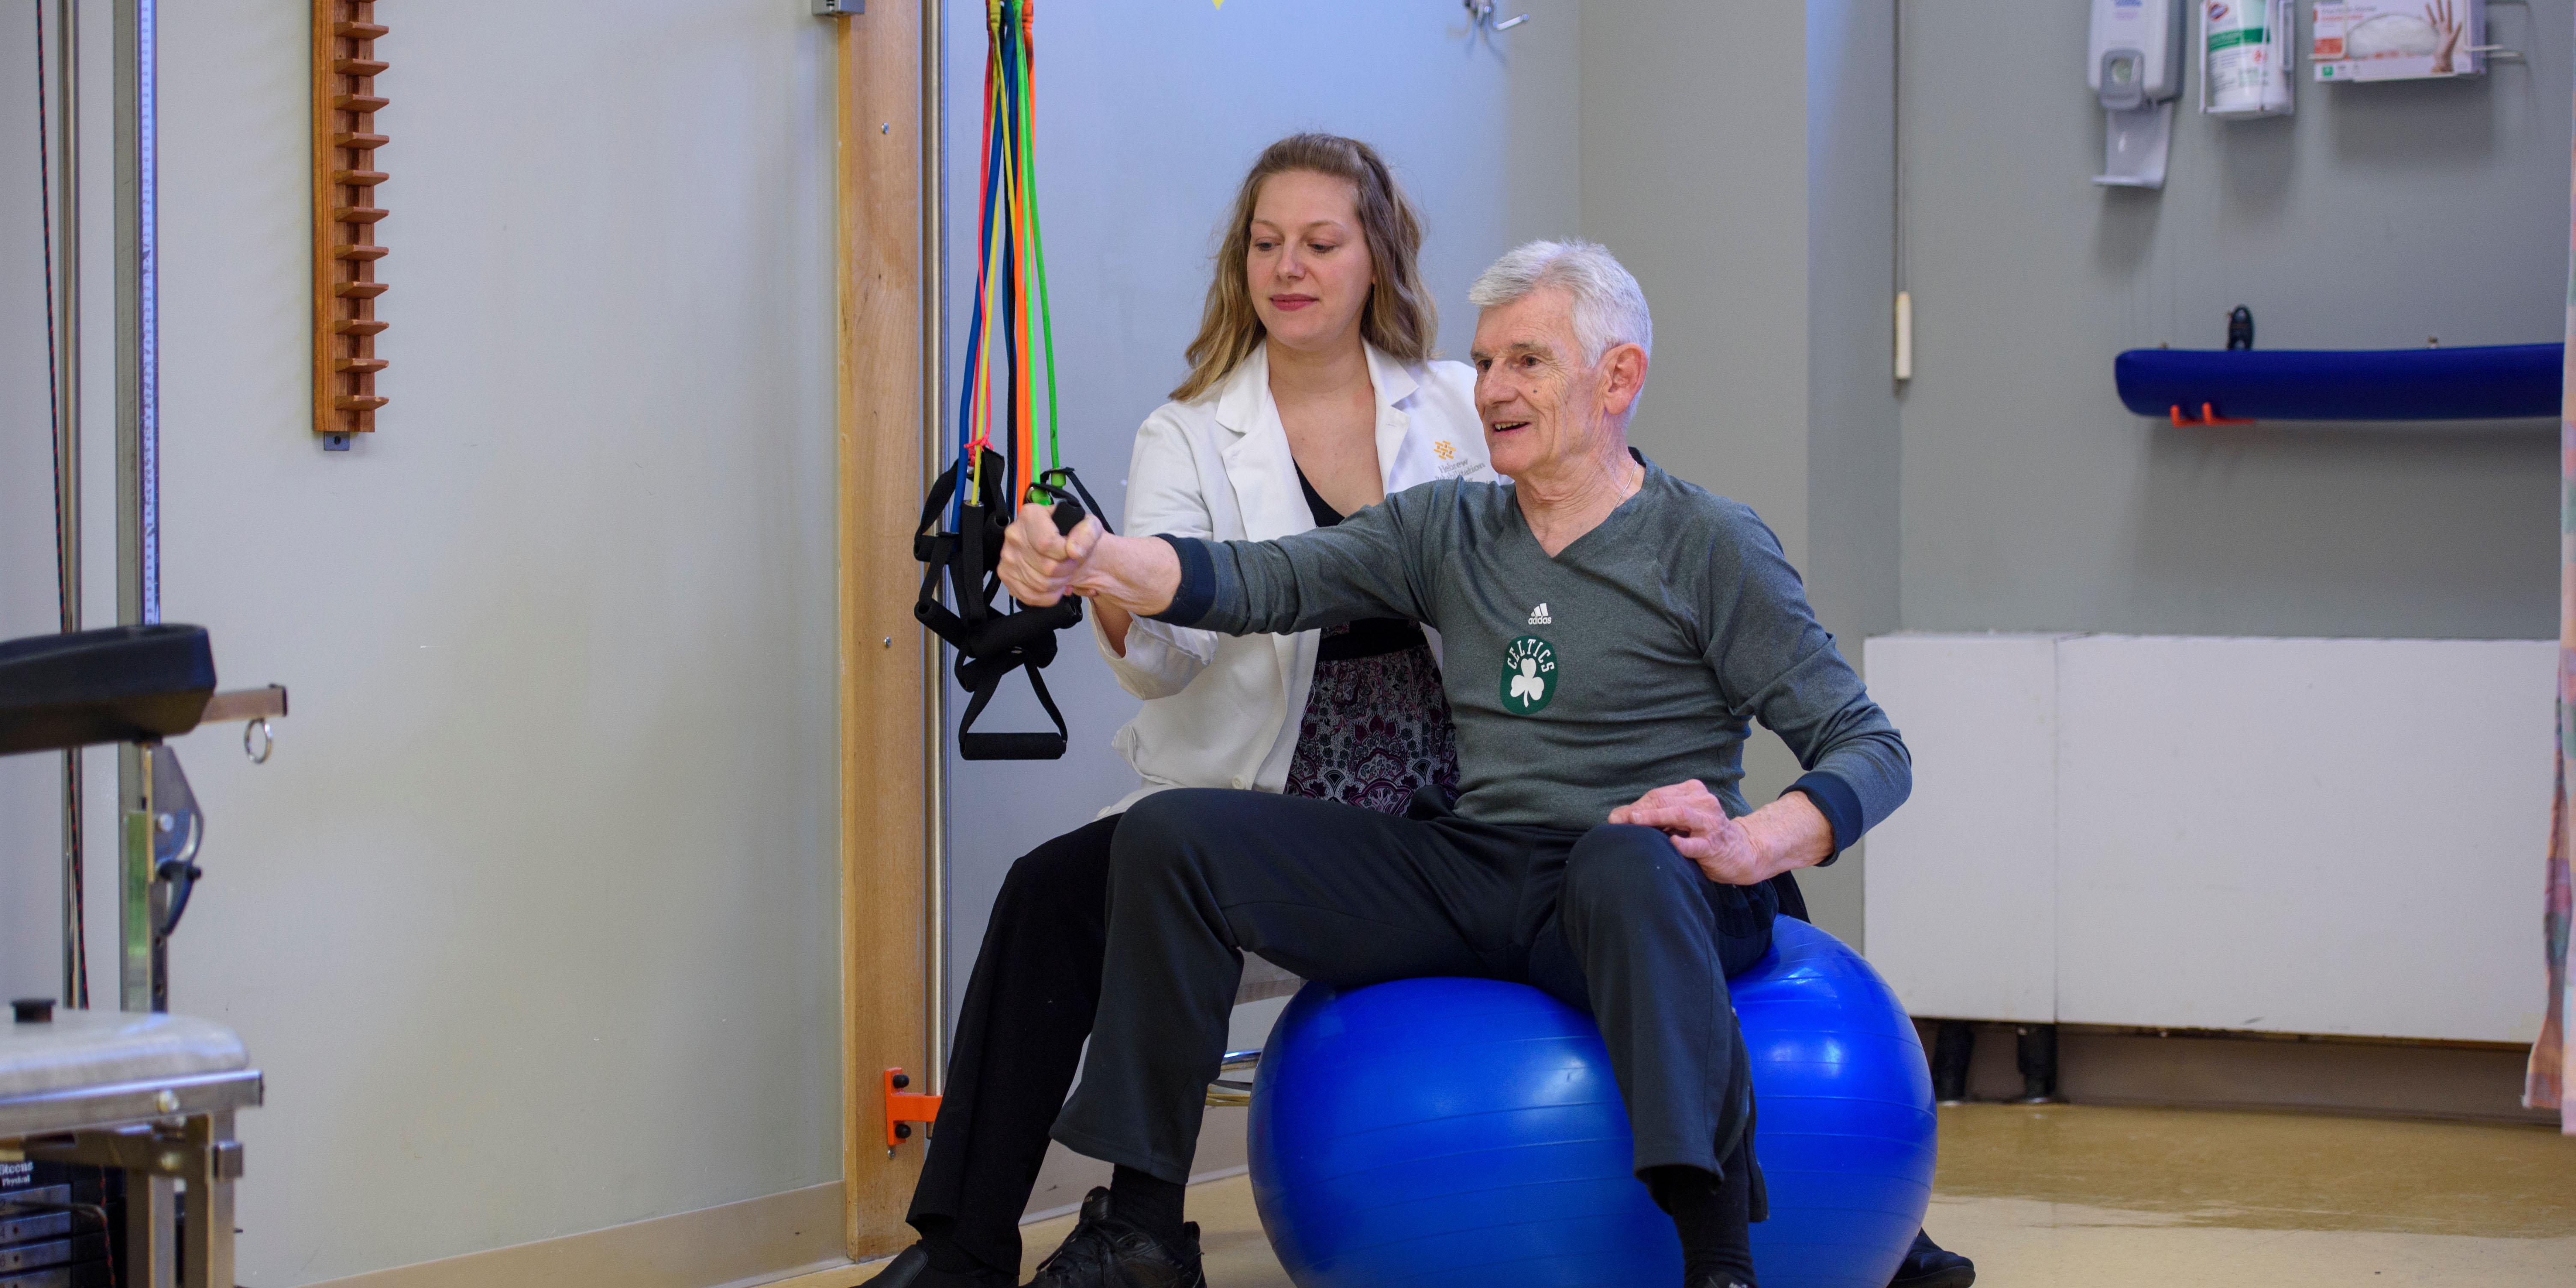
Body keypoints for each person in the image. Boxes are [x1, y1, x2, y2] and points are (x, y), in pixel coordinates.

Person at [999, 240, 1970, 1288]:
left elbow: (1870, 745)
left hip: (1646, 877)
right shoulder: (1449, 526)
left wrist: (1752, 839)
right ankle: (1142, 1227)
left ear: (1617, 379)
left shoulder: (1709, 545)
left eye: (1526, 362)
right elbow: (1256, 580)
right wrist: (1097, 561)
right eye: (1485, 363)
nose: (1492, 390)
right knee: (1173, 834)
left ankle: (1718, 1263)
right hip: (1480, 864)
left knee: (1621, 855)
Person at [862, 133, 1494, 1288]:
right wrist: (1090, 573)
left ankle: (1137, 1225)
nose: (1287, 267)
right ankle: (962, 1246)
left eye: (1319, 242)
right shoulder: (1192, 430)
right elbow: (1165, 657)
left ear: (1376, 257)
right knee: (1047, 894)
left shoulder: (1459, 404)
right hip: (1261, 817)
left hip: (1454, 819)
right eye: (1265, 244)